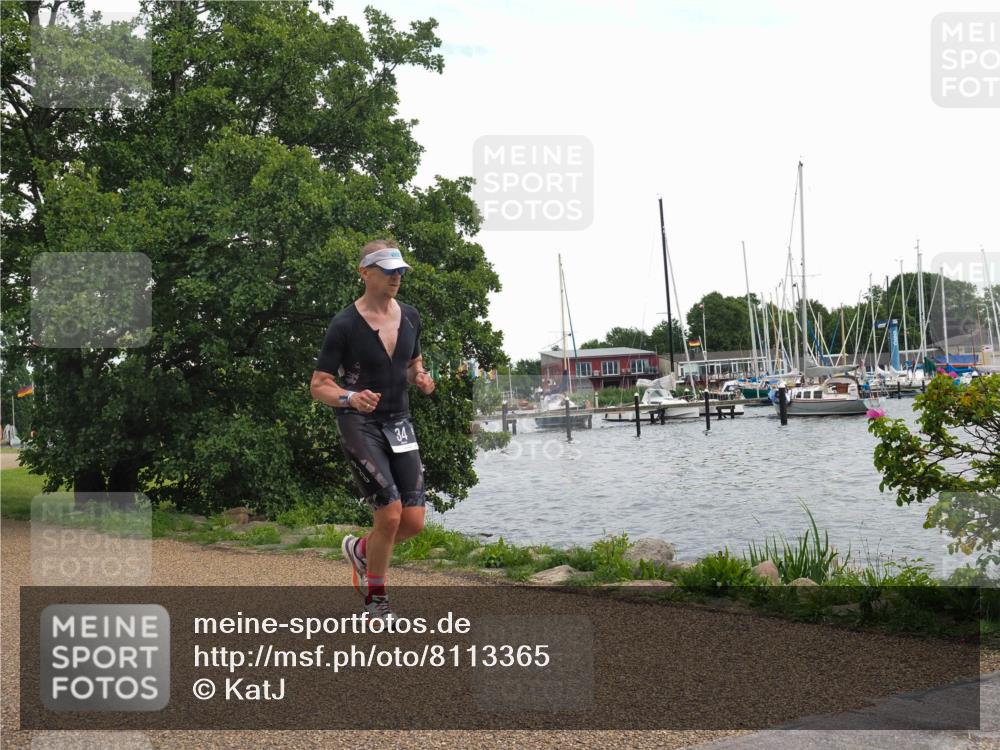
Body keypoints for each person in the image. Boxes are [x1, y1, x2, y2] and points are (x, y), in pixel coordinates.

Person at [310, 240, 435, 620]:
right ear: (366, 273)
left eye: (400, 270)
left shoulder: (411, 316)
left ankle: (363, 551)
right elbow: (319, 385)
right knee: (390, 514)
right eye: (388, 270)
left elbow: (413, 363)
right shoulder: (345, 324)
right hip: (359, 423)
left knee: (413, 522)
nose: (396, 277)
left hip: (400, 423)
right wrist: (349, 398)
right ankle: (376, 602)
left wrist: (422, 378)